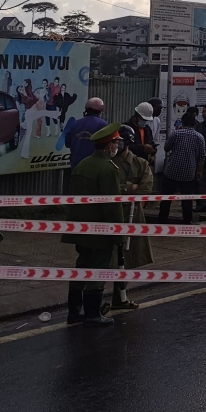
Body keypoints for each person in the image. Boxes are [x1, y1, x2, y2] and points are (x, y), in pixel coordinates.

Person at [63, 123, 125, 326]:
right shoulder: (107, 169)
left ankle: (74, 312)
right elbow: (112, 206)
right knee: (98, 269)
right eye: (116, 142)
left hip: (80, 229)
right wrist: (118, 234)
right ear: (108, 146)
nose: (117, 146)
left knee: (81, 266)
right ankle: (92, 313)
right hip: (99, 231)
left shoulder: (83, 164)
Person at [107, 124, 154, 310]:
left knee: (127, 257)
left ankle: (121, 297)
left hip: (134, 216)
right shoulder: (108, 163)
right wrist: (130, 187)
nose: (117, 146)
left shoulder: (140, 163)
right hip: (113, 214)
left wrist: (127, 188)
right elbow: (111, 189)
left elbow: (146, 188)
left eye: (119, 142)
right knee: (109, 258)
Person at [158, 110, 206, 224]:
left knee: (166, 197)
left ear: (182, 122)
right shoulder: (200, 137)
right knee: (187, 199)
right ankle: (187, 220)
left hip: (172, 171)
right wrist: (199, 171)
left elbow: (166, 148)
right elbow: (202, 157)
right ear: (194, 123)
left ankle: (162, 219)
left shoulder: (176, 134)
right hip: (189, 173)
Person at [59, 98, 107, 185]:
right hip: (95, 170)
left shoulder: (75, 124)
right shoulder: (103, 125)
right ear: (101, 110)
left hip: (76, 168)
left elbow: (67, 143)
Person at [127, 102, 158, 169]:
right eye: (143, 119)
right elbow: (126, 146)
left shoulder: (147, 129)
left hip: (144, 164)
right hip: (131, 164)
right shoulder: (127, 128)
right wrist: (142, 148)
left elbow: (151, 142)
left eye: (146, 120)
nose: (145, 122)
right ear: (137, 116)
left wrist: (153, 150)